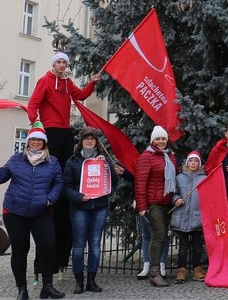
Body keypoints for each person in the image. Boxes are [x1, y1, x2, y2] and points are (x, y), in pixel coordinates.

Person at [0, 122, 65, 300]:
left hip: (42, 211)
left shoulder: (53, 162)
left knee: (47, 247)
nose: (36, 142)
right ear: (28, 142)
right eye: (33, 139)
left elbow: (59, 183)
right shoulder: (16, 159)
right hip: (15, 211)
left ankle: (47, 286)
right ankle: (22, 289)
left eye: (39, 140)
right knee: (20, 250)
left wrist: (50, 198)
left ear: (44, 143)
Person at [27, 51, 100, 278]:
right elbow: (33, 104)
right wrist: (36, 124)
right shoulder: (45, 81)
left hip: (65, 128)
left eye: (65, 62)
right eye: (59, 62)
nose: (62, 65)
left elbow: (81, 94)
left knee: (67, 162)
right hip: (50, 127)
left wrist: (93, 83)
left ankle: (66, 184)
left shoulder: (68, 83)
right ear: (53, 64)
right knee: (53, 161)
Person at [63, 127, 131, 294]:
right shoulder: (72, 161)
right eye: (86, 138)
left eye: (92, 139)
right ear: (81, 141)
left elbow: (113, 181)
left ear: (96, 141)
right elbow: (67, 186)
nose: (89, 141)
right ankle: (79, 281)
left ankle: (91, 281)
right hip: (80, 207)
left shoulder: (103, 159)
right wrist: (79, 197)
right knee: (79, 244)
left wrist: (106, 164)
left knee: (94, 244)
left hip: (99, 206)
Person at [134, 125, 179, 287]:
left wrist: (176, 198)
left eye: (163, 138)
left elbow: (176, 178)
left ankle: (157, 270)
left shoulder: (170, 156)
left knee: (162, 235)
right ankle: (154, 273)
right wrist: (142, 206)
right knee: (159, 235)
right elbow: (140, 183)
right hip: (152, 203)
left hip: (167, 203)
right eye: (158, 139)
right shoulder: (146, 157)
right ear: (152, 140)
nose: (161, 141)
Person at [170, 151, 207, 284]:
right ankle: (181, 270)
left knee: (198, 246)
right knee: (183, 246)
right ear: (187, 163)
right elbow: (173, 194)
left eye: (196, 161)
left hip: (197, 218)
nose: (193, 163)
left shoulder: (204, 178)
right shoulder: (179, 177)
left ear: (199, 164)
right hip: (182, 218)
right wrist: (177, 199)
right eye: (191, 161)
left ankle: (197, 269)